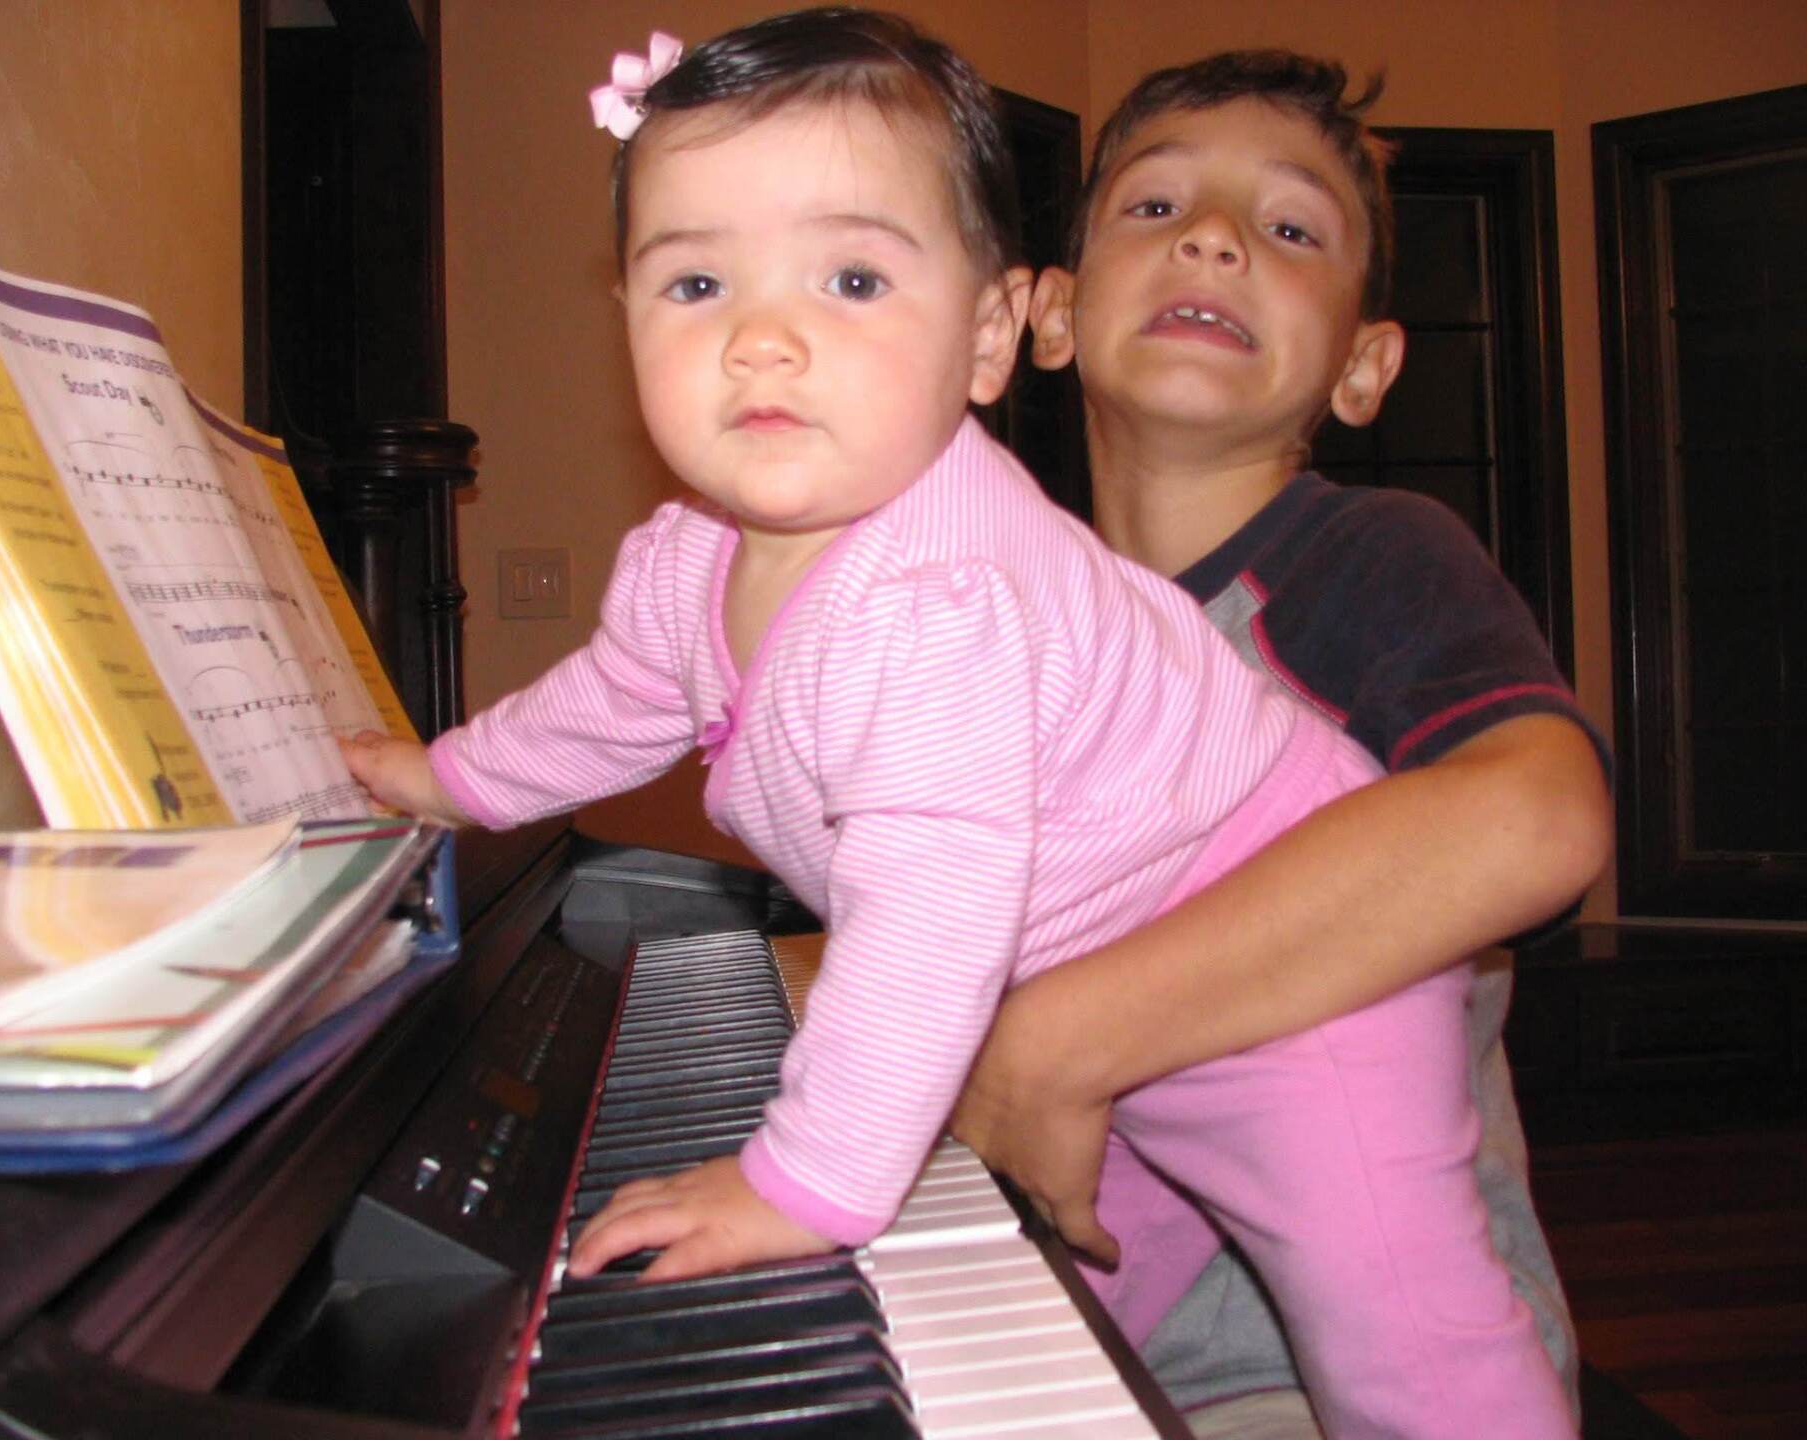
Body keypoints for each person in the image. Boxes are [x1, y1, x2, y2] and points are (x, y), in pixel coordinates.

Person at [342, 11, 1574, 1436]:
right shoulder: (687, 560)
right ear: (622, 312)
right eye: (695, 282)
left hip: (1293, 982)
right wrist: (446, 779)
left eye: (853, 278)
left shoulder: (938, 601)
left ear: (990, 337)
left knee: (1399, 1329)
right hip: (1098, 985)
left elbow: (930, 908)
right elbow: (606, 707)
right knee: (1071, 1309)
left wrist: (801, 1182)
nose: (761, 338)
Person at [945, 50, 1613, 1439]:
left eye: (1290, 228)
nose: (1213, 238)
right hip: (1068, 1331)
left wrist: (1061, 1037)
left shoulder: (1372, 555)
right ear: (1050, 316)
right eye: (1155, 207)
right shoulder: (1002, 615)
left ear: (1365, 367)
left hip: (1326, 1373)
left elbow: (1538, 819)